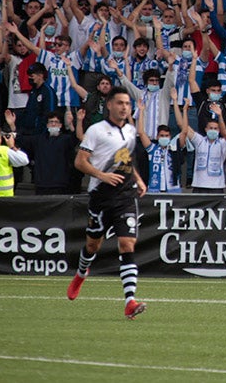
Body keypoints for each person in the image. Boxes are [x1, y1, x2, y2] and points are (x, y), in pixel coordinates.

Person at [66, 87, 149, 321]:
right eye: (120, 103)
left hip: (126, 195)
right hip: (101, 195)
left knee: (127, 243)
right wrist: (102, 175)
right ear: (110, 105)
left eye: (127, 104)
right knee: (93, 245)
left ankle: (129, 301)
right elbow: (80, 162)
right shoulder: (96, 130)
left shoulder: (131, 131)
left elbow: (127, 159)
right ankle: (81, 273)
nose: (124, 107)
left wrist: (139, 180)